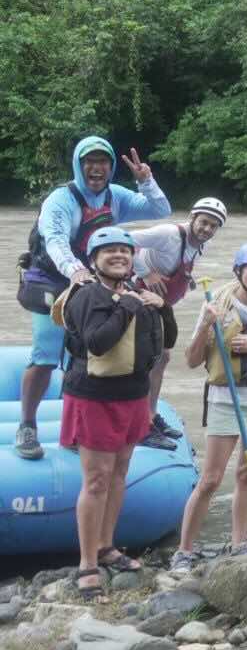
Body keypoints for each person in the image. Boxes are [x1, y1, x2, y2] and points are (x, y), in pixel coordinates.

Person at [13, 137, 170, 461]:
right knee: (45, 354)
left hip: (91, 281)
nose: (96, 168)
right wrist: (74, 271)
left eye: (103, 162)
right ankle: (27, 424)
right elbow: (55, 240)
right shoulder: (61, 199)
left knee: (81, 357)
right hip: (53, 279)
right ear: (78, 165)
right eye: (90, 161)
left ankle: (73, 430)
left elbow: (160, 210)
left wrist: (146, 181)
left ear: (111, 167)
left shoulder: (116, 197)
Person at [170, 243, 247, 571]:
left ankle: (240, 541)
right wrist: (204, 326)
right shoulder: (217, 305)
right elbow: (192, 360)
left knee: (246, 473)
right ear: (239, 271)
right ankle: (184, 550)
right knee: (212, 478)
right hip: (227, 400)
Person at [52, 228, 165, 597]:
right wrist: (128, 306)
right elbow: (98, 342)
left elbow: (164, 344)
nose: (119, 256)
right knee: (97, 479)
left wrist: (158, 305)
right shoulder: (87, 295)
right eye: (109, 251)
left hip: (131, 395)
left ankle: (106, 546)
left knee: (119, 472)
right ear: (94, 259)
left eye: (124, 251)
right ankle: (87, 563)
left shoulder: (135, 292)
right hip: (93, 396)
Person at [130, 197, 228, 451]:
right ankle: (141, 425)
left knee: (162, 359)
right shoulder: (169, 234)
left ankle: (151, 415)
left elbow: (177, 265)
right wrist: (145, 272)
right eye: (204, 222)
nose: (206, 229)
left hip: (160, 305)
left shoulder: (198, 245)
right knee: (147, 360)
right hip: (138, 298)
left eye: (213, 226)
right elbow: (122, 239)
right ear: (193, 218)